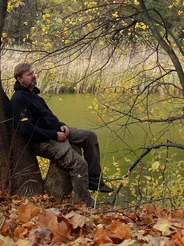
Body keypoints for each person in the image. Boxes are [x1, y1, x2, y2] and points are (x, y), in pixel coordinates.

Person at [11, 62, 112, 207]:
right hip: (42, 141)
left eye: (33, 72)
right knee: (79, 164)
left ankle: (94, 181)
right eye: (29, 74)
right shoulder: (18, 99)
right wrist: (54, 134)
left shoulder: (34, 96)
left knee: (90, 136)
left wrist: (61, 125)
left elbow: (49, 118)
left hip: (53, 133)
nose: (33, 76)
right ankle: (84, 206)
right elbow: (26, 129)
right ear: (20, 79)